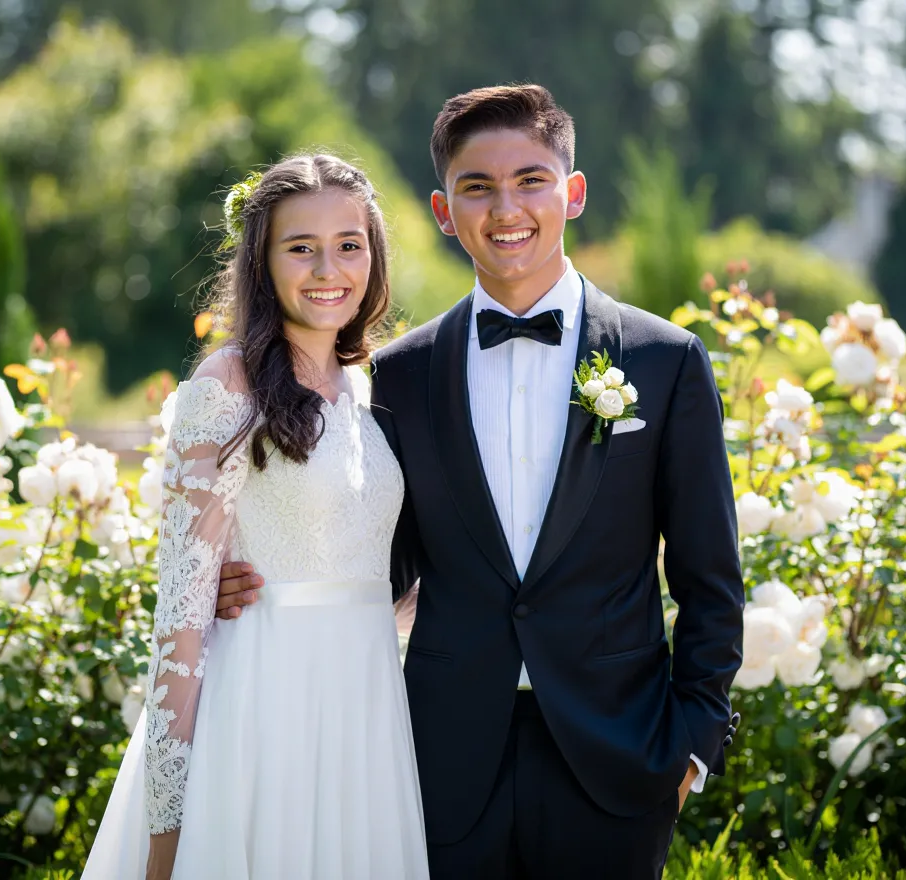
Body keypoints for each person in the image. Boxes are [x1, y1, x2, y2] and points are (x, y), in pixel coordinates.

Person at [215, 85, 744, 878]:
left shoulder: (666, 361)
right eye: (477, 186)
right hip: (438, 763)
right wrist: (261, 577)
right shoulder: (399, 375)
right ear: (440, 209)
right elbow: (377, 555)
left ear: (573, 192)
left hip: (620, 759)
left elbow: (711, 577)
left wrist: (691, 748)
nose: (507, 208)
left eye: (531, 180)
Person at [82, 154, 430, 880]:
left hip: (365, 713)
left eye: (349, 244)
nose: (327, 267)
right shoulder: (226, 384)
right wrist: (169, 819)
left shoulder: (373, 389)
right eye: (300, 247)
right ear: (262, 262)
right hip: (261, 708)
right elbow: (180, 616)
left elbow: (369, 571)